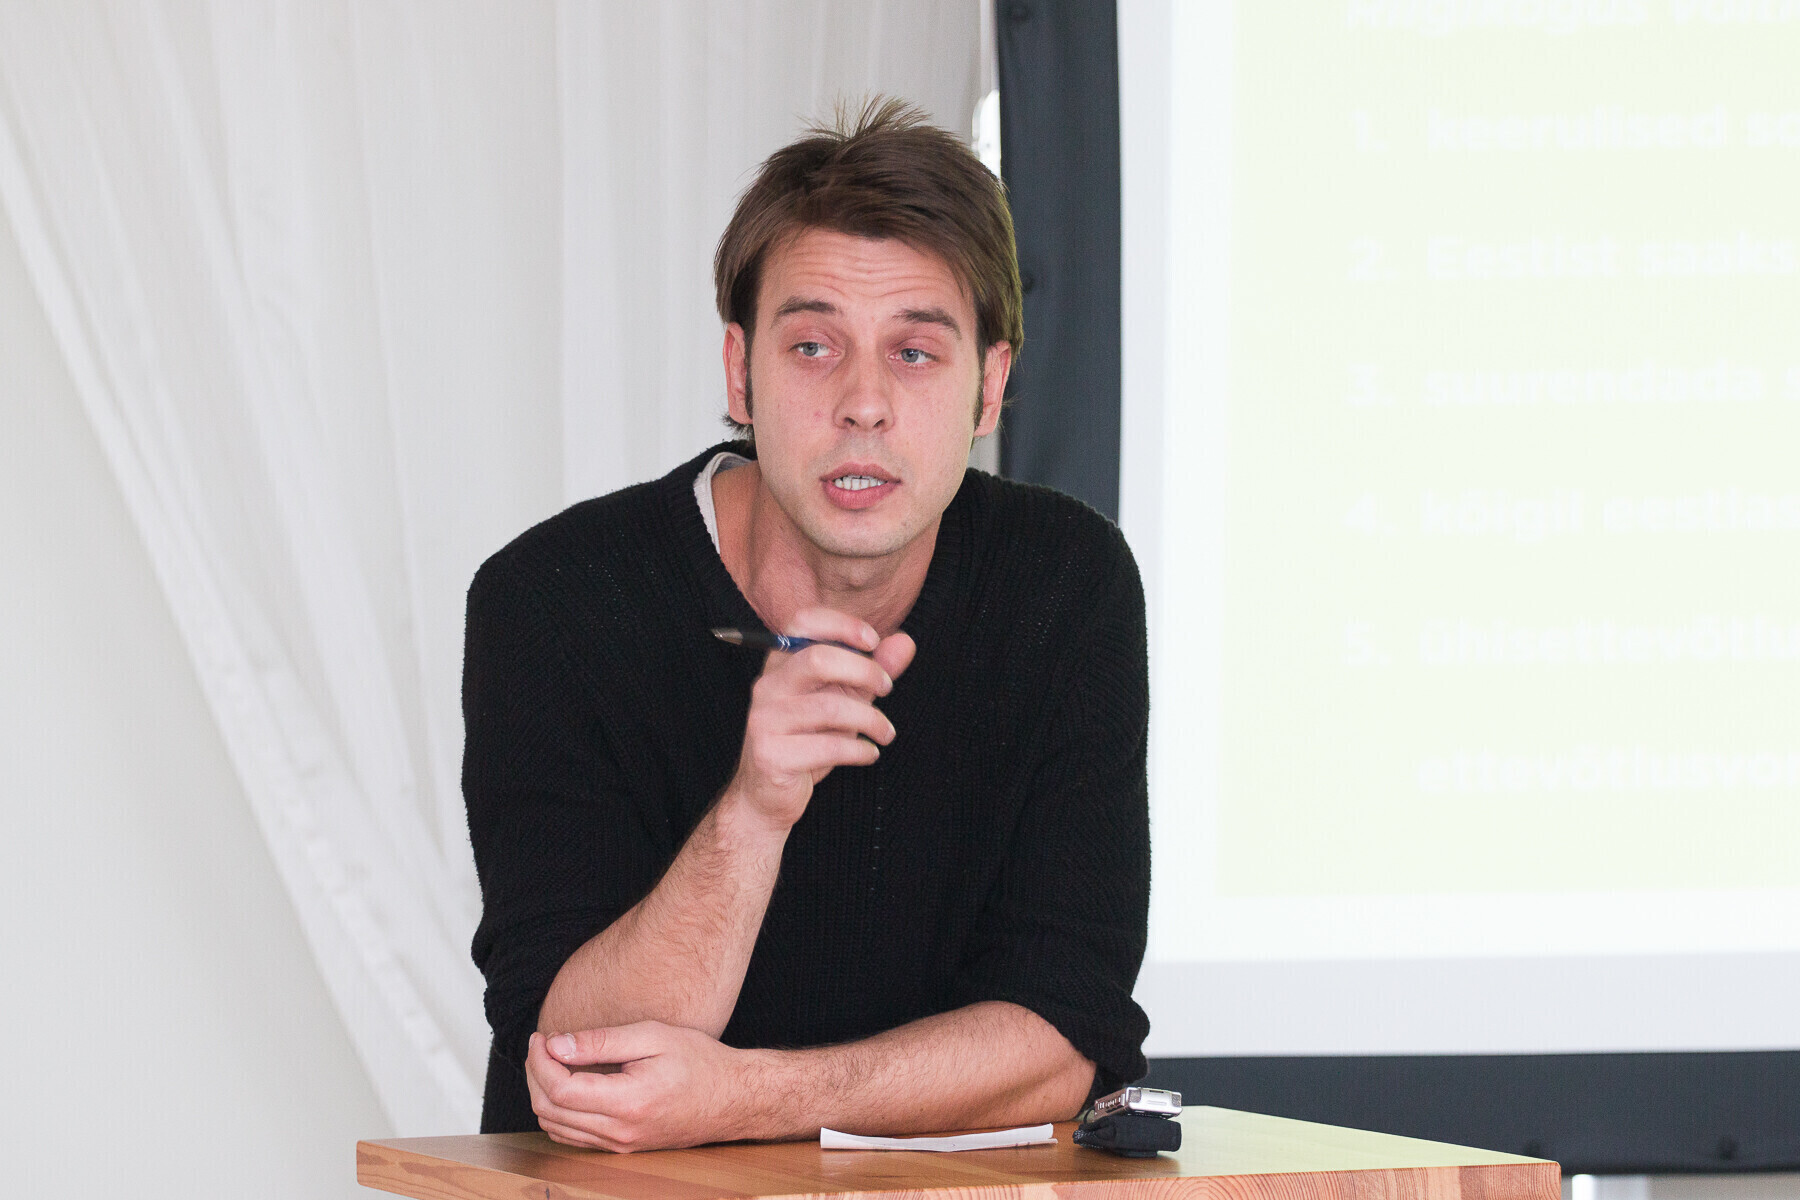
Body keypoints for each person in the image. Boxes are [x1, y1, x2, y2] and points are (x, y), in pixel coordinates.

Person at [462, 97, 1149, 1151]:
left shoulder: (1065, 585)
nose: (864, 404)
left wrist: (749, 1098)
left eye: (915, 353)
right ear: (741, 373)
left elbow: (1065, 1041)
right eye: (815, 347)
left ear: (991, 387)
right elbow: (580, 1064)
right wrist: (756, 809)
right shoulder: (554, 601)